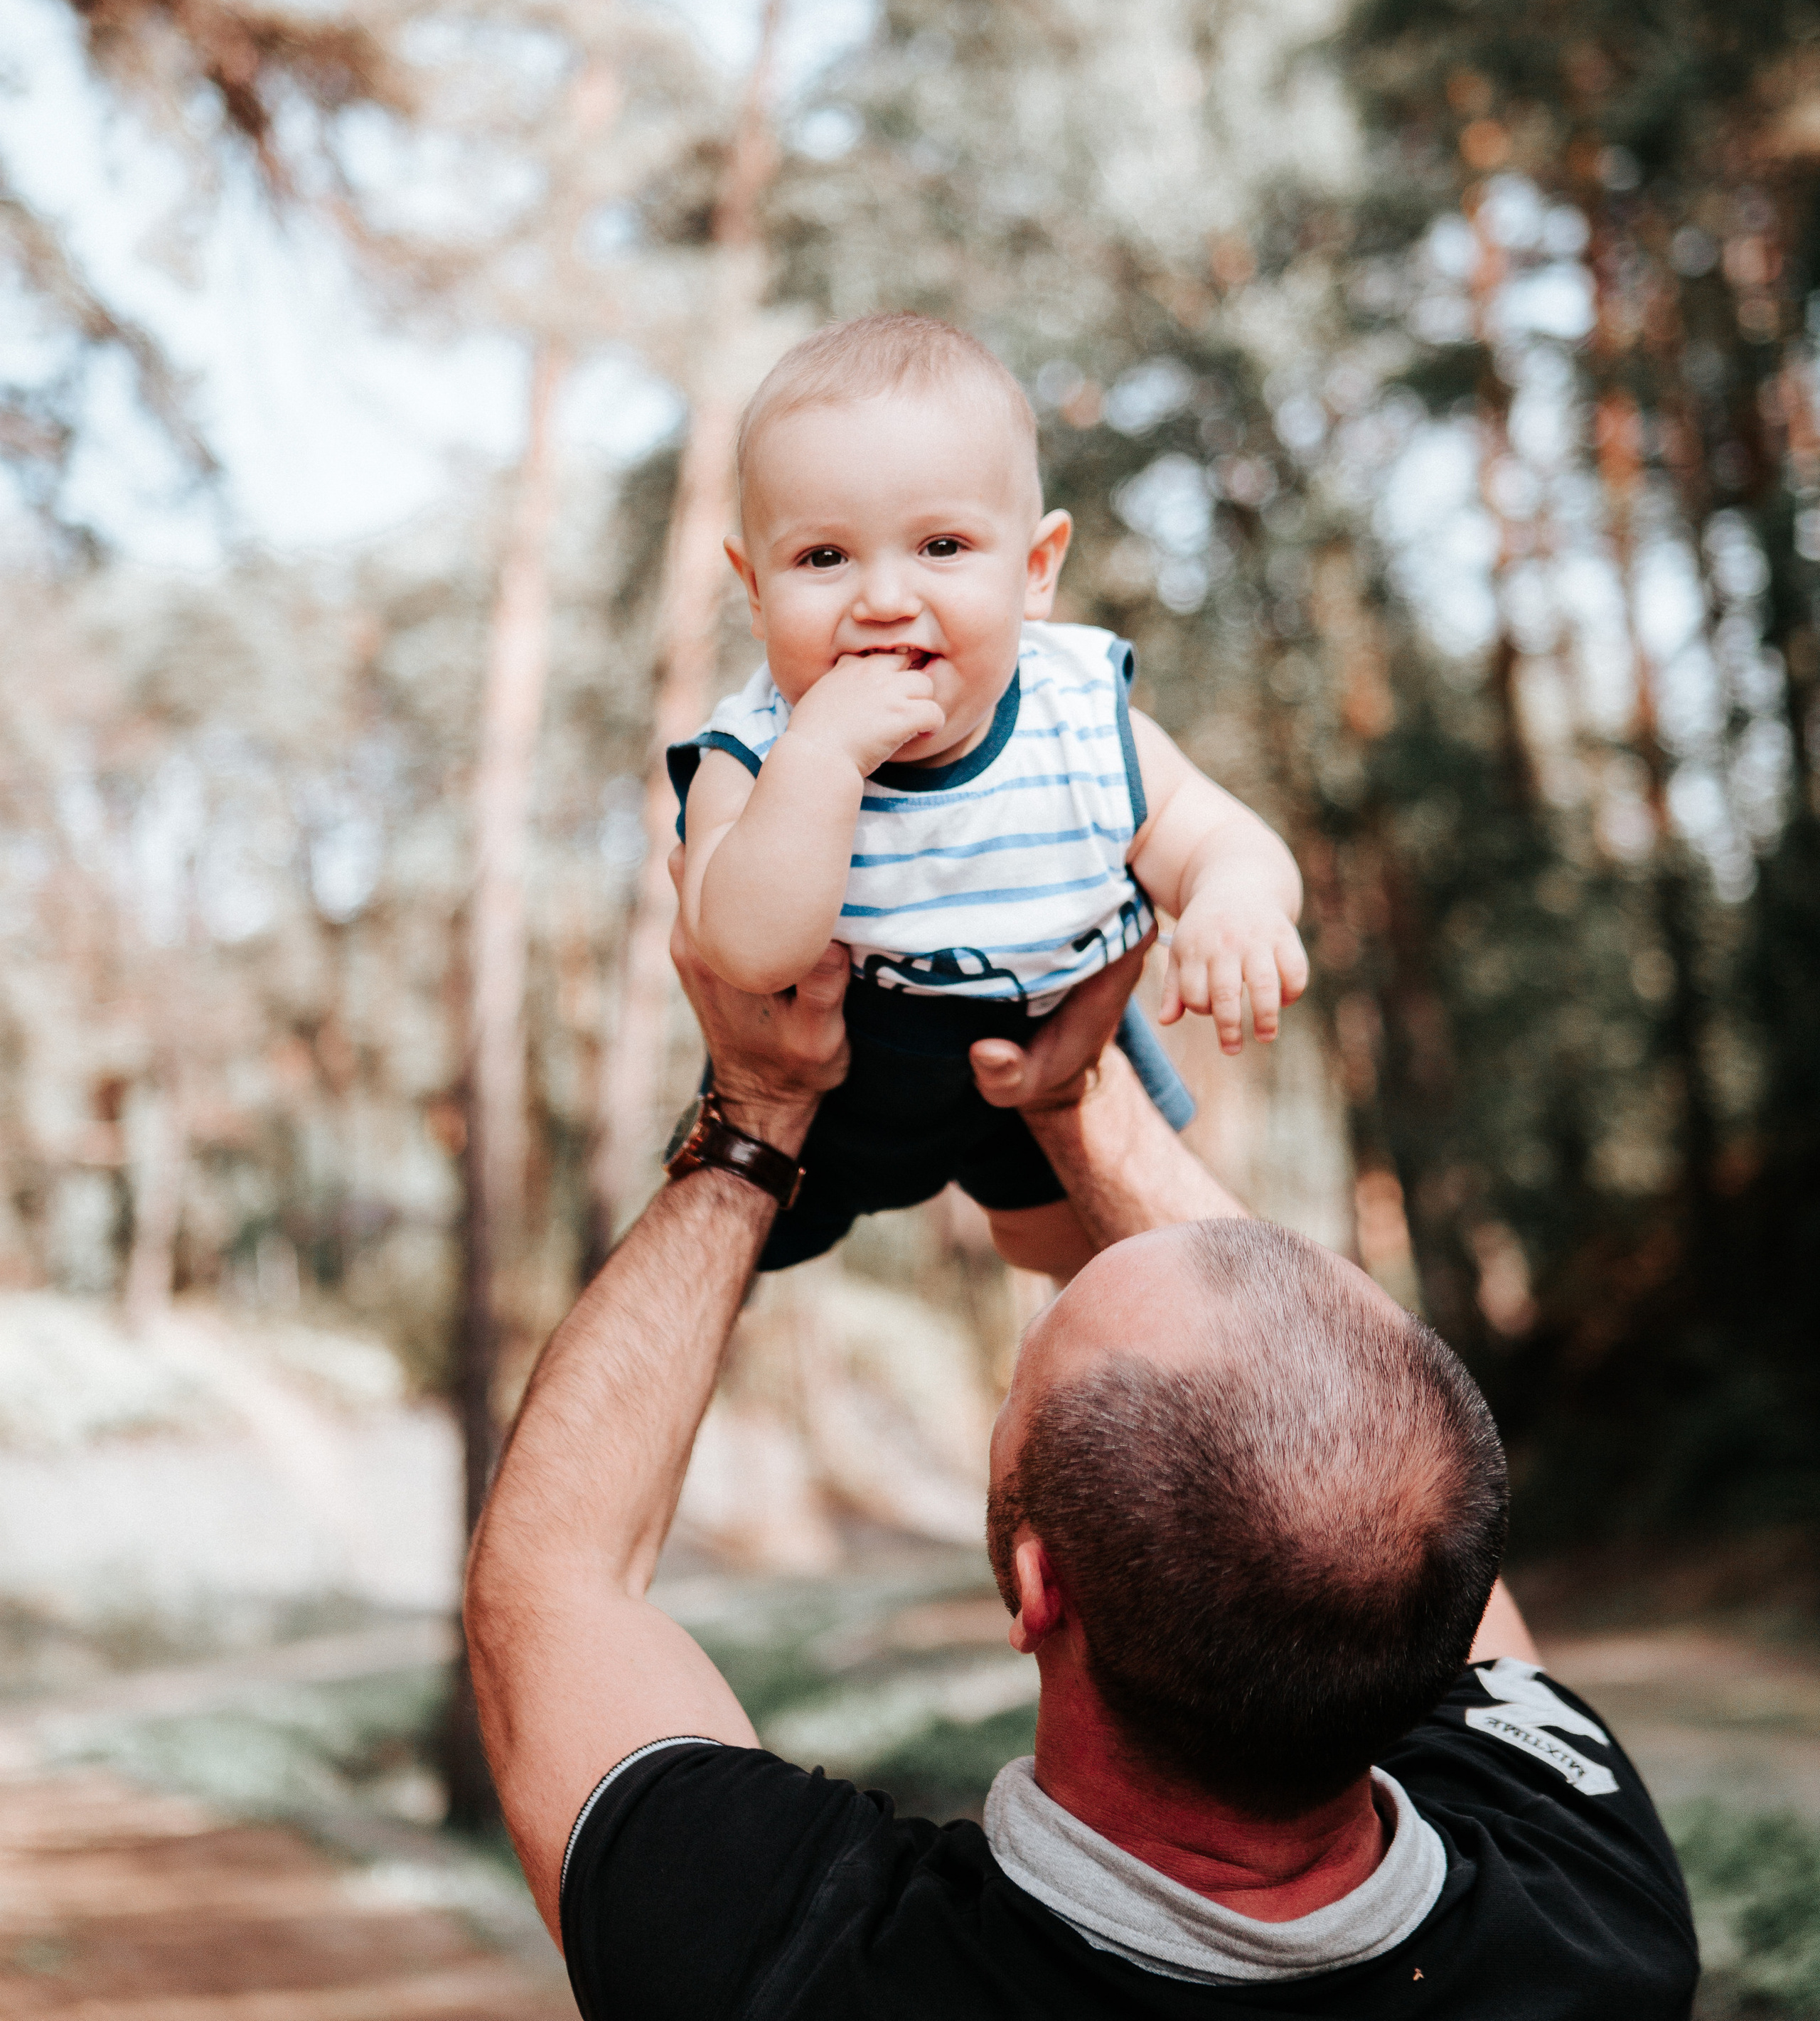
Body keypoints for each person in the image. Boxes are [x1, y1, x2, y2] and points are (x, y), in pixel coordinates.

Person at [466, 931, 1701, 2020]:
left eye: (1026, 1381)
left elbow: (550, 1586)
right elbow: (1389, 1501)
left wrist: (759, 1109)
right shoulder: (1595, 1911)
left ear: (1038, 1586)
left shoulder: (792, 1961)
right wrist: (1077, 1101)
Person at [669, 311, 1308, 1278]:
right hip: (838, 1082)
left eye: (942, 546)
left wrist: (1236, 901)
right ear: (754, 590)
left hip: (1046, 1030)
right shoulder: (756, 752)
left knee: (1084, 1263)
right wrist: (823, 759)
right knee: (728, 1250)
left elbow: (1218, 834)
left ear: (1036, 570)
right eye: (823, 558)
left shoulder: (1080, 720)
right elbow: (749, 950)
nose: (883, 598)